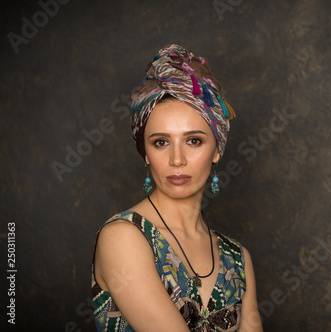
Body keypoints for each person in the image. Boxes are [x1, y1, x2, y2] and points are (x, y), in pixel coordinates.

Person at [91, 44, 263, 331]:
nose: (177, 159)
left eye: (194, 140)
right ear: (145, 153)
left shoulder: (238, 258)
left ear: (217, 149)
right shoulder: (123, 238)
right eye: (161, 142)